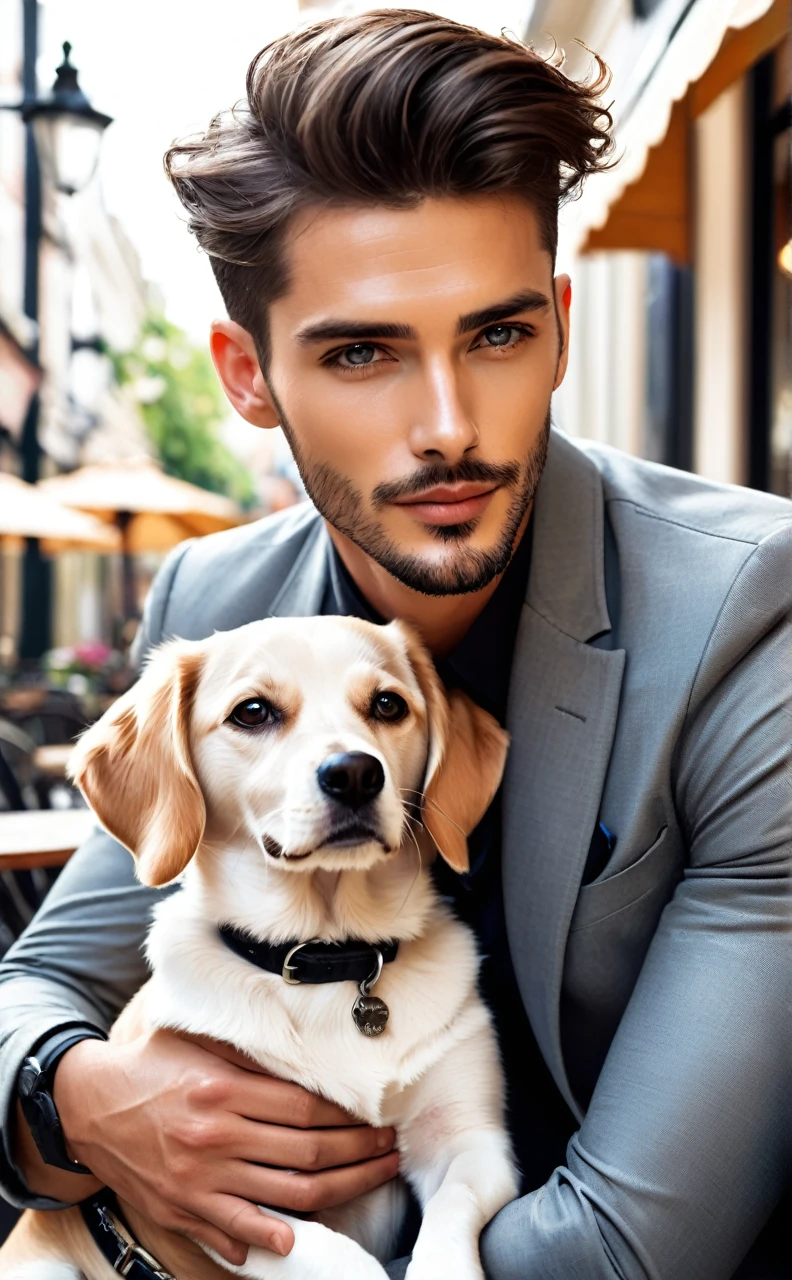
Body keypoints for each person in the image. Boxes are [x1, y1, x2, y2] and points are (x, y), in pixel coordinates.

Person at [1, 11, 790, 1279]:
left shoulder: (755, 616)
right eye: (362, 350)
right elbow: (38, 982)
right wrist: (85, 1101)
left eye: (497, 333)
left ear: (560, 327)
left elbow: (631, 1245)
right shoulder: (218, 598)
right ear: (248, 378)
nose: (448, 427)